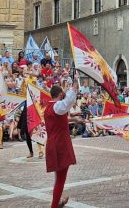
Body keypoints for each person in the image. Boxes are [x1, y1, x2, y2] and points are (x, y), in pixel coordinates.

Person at [45, 78, 79, 208]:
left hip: (54, 144)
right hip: (60, 145)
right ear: (60, 95)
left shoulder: (50, 107)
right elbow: (67, 103)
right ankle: (54, 205)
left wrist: (75, 119)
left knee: (58, 177)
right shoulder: (57, 106)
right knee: (60, 179)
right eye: (62, 95)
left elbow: (60, 117)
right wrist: (73, 88)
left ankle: (58, 202)